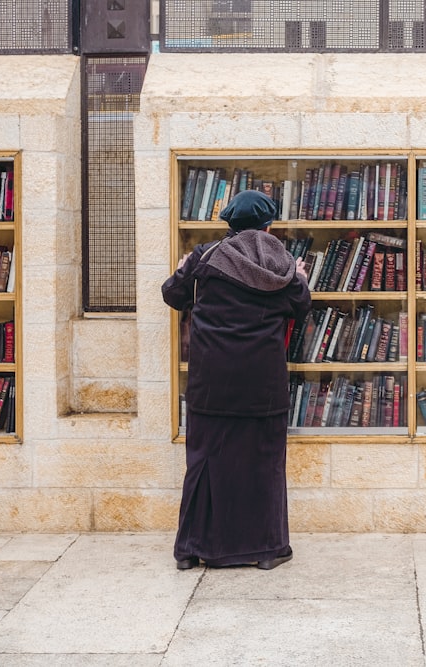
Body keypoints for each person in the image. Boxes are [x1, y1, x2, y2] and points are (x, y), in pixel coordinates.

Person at [162, 189, 311, 570]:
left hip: (211, 382)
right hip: (262, 384)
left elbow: (172, 295)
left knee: (204, 462)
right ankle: (266, 550)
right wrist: (301, 279)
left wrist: (183, 268)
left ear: (228, 223)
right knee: (263, 465)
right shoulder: (283, 262)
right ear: (269, 225)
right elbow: (300, 306)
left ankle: (191, 551)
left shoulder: (205, 257)